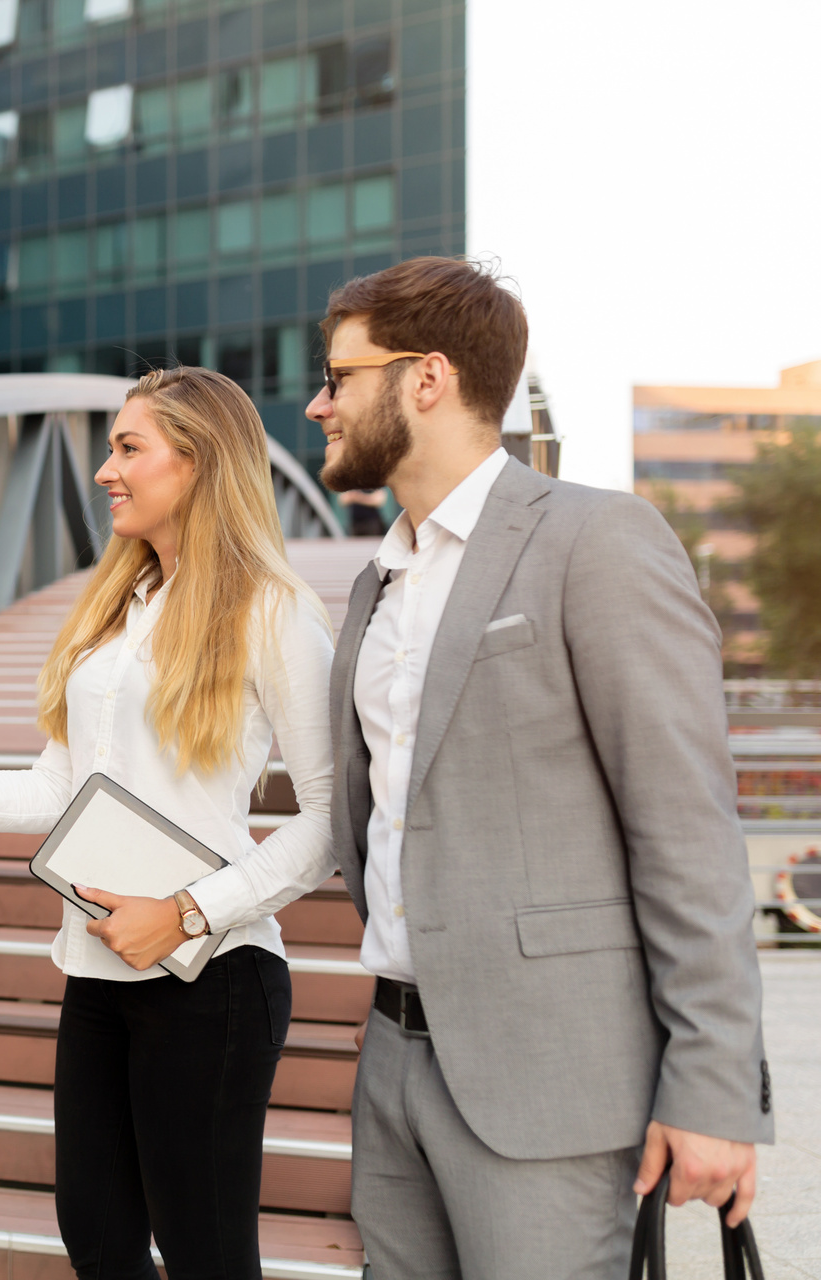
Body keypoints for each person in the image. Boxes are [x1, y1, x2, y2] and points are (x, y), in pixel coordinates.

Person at [309, 257, 771, 1278]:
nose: (317, 403)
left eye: (339, 376)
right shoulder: (378, 585)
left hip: (548, 1081)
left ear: (426, 378)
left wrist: (712, 1087)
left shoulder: (594, 539)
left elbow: (686, 828)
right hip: (391, 1057)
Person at [0, 367, 337, 1280]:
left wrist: (185, 912)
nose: (106, 470)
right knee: (98, 1240)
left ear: (198, 462)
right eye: (111, 447)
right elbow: (54, 791)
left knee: (208, 1256)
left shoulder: (276, 613)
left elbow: (333, 821)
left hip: (213, 977)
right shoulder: (117, 610)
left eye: (128, 448)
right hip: (98, 967)